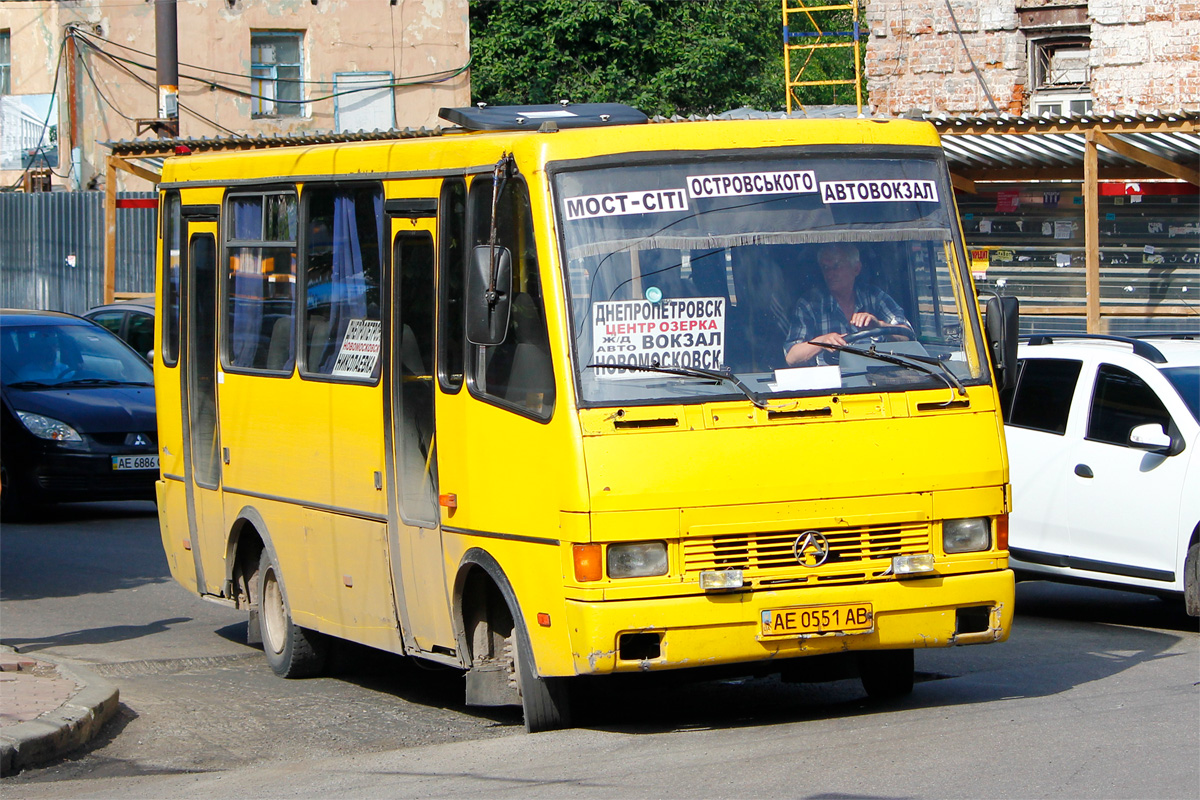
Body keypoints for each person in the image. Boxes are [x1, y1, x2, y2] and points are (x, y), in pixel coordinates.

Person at [783, 243, 912, 366]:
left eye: (836, 266)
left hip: (879, 380)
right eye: (825, 268)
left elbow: (908, 337)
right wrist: (822, 341)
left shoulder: (875, 297)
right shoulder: (809, 304)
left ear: (856, 268)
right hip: (832, 384)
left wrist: (879, 326)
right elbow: (791, 357)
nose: (830, 274)